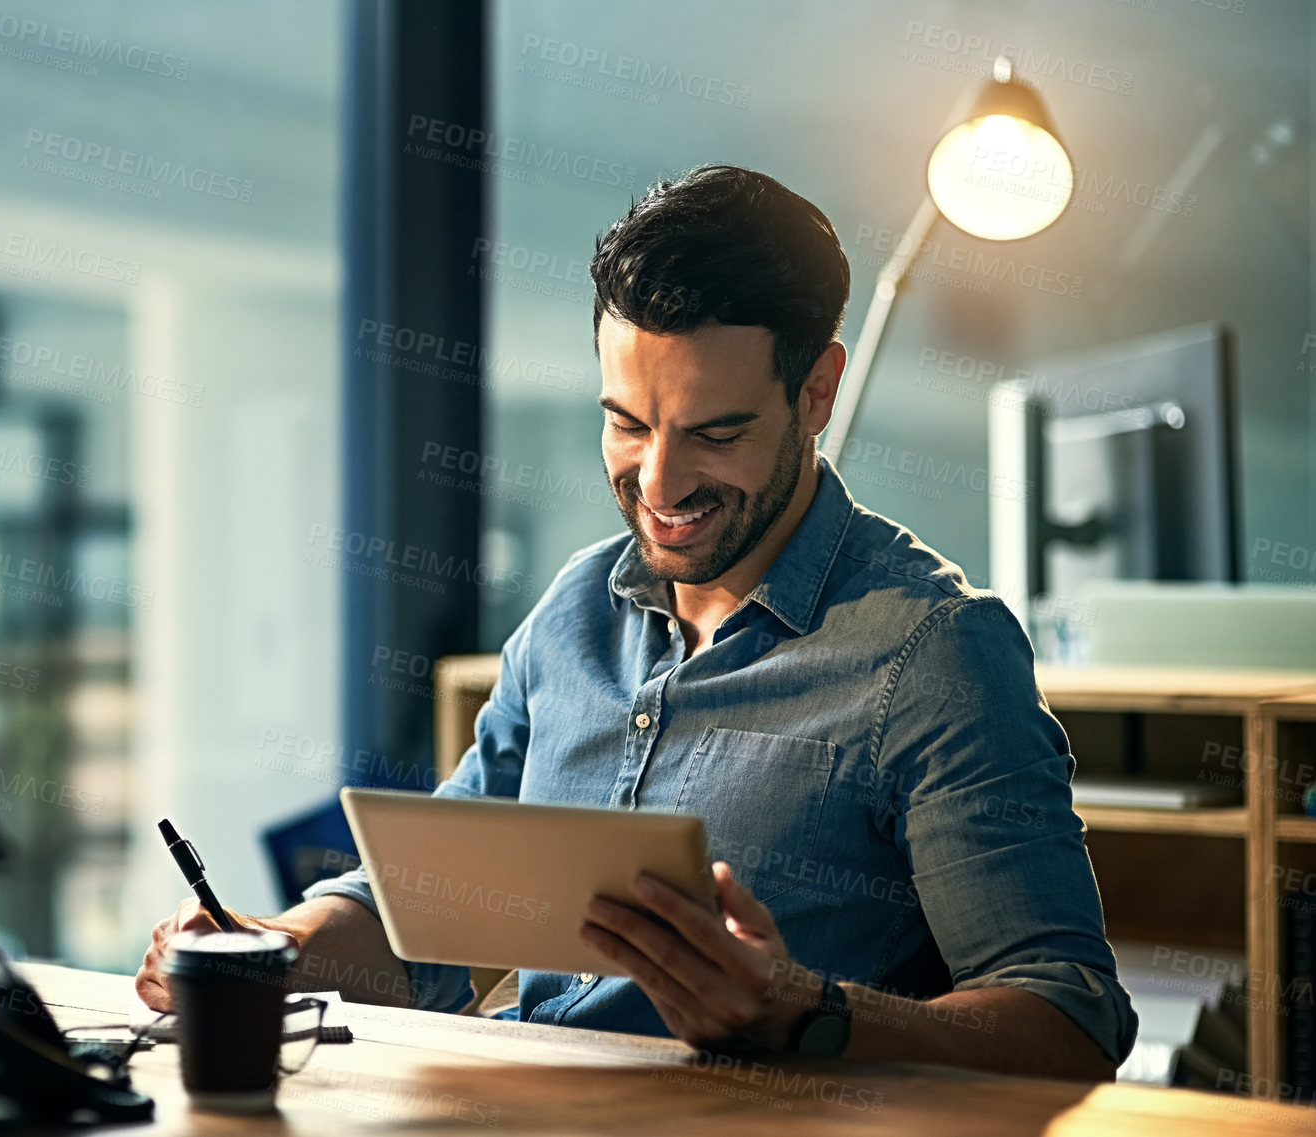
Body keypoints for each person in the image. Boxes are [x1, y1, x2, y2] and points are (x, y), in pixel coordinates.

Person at [136, 164, 1136, 1079]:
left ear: (817, 391)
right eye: (626, 423)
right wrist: (268, 950)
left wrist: (805, 1012)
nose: (657, 483)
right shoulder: (571, 612)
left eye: (715, 432)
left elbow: (1070, 1027)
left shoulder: (932, 653)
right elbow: (423, 918)